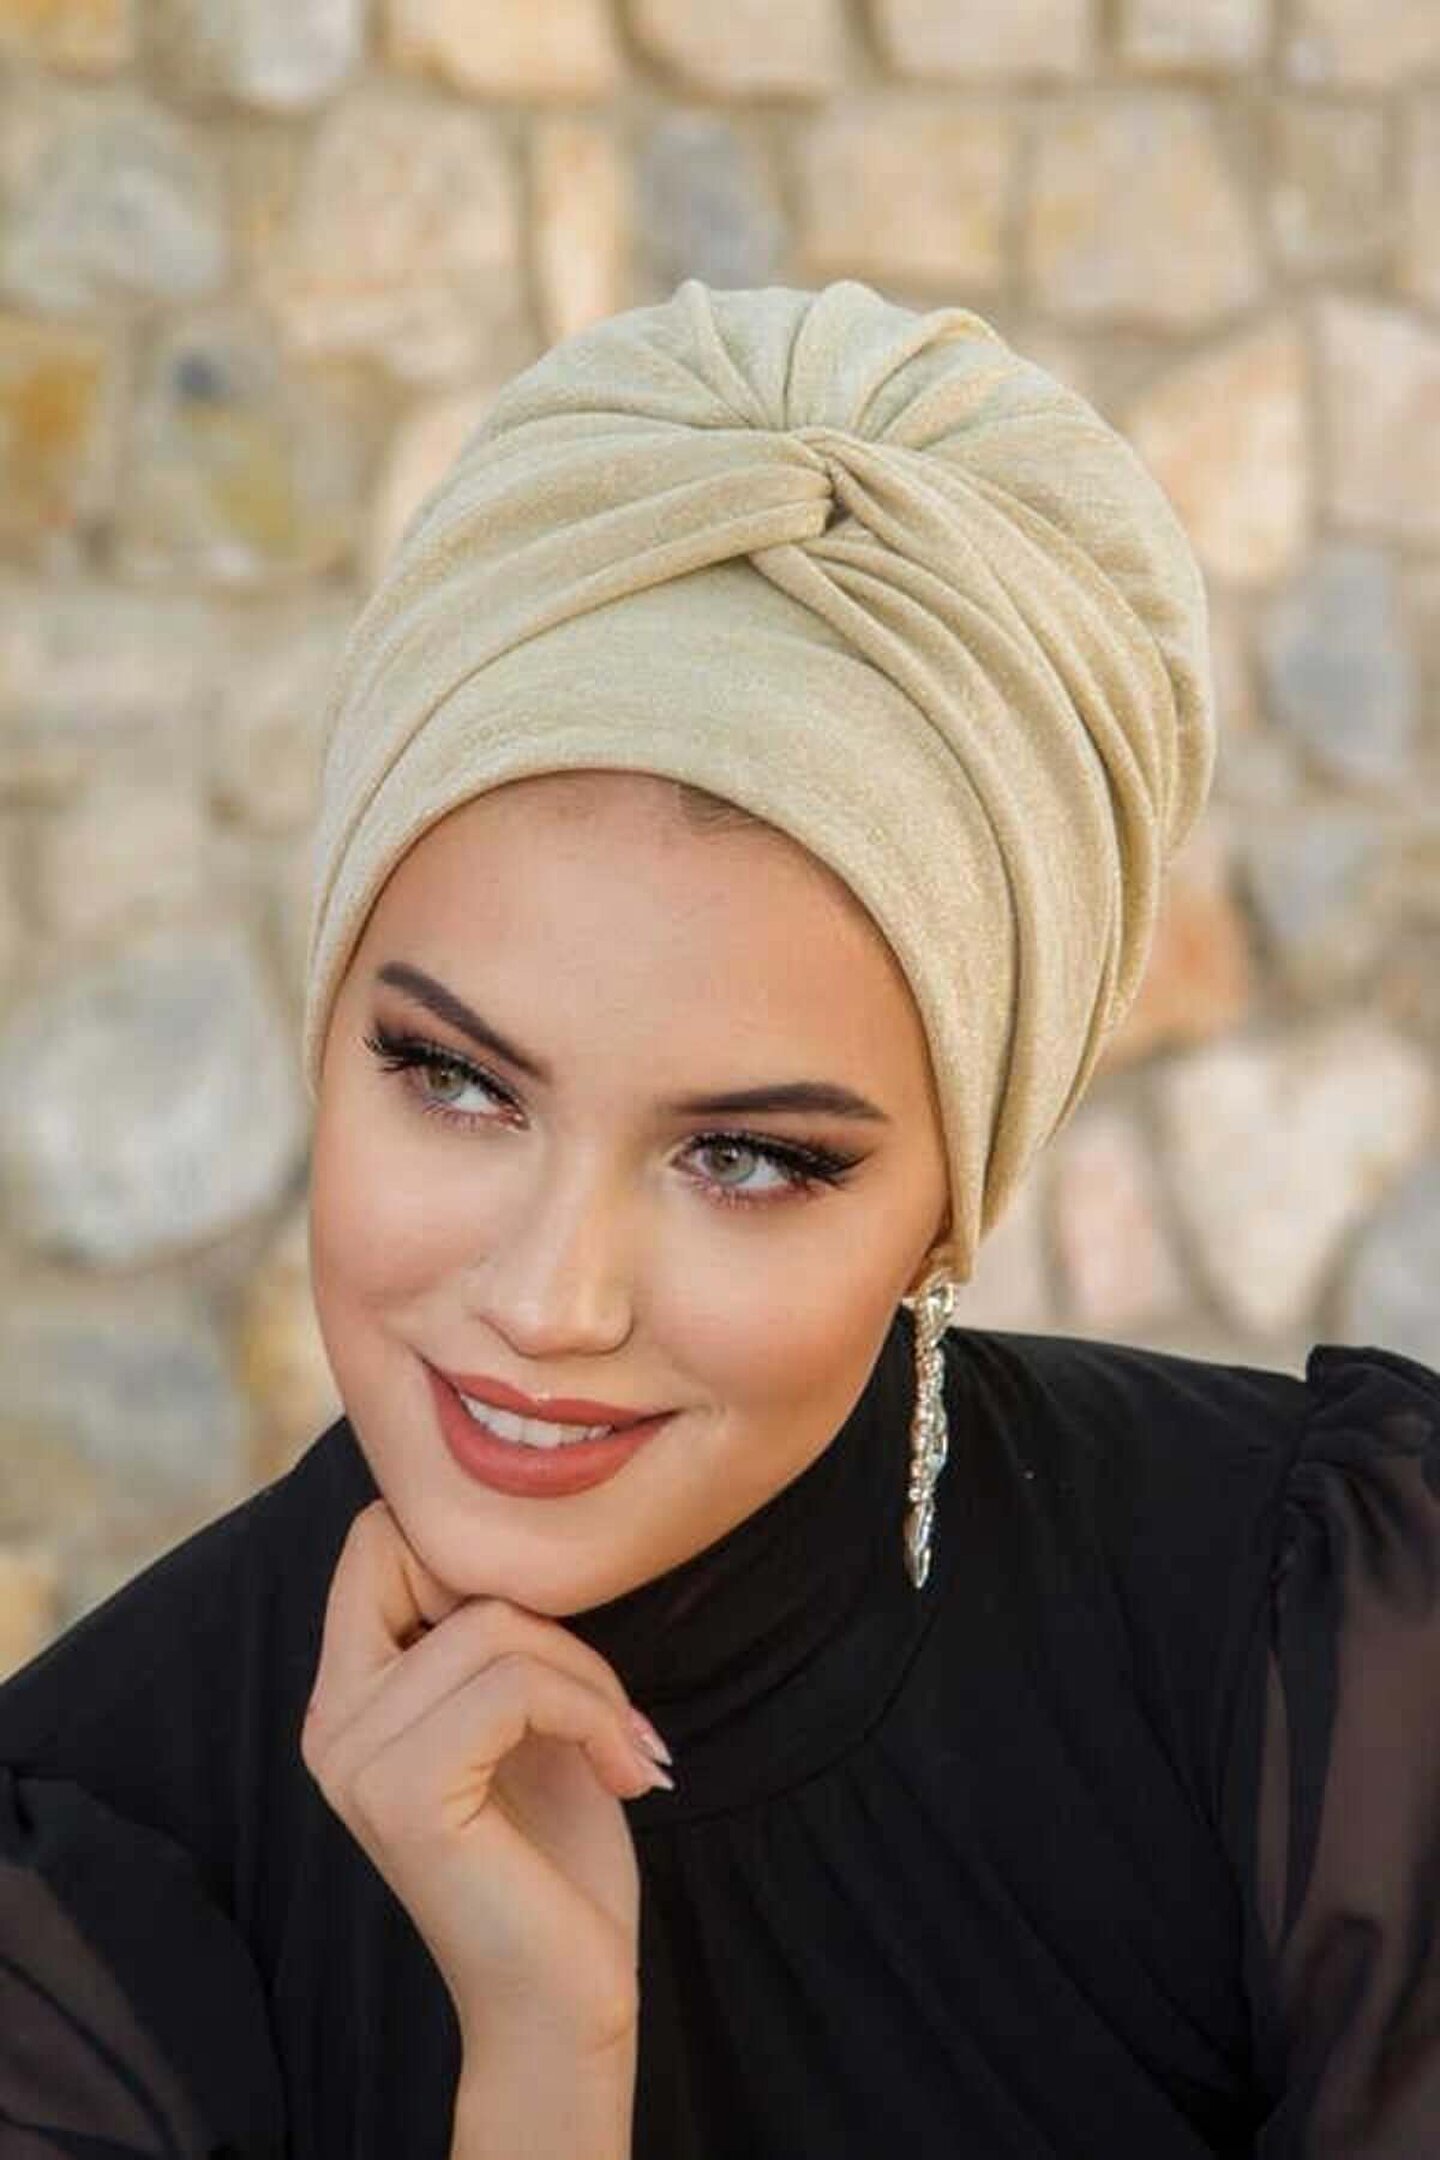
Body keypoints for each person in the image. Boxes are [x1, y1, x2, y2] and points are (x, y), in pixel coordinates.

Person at [1, 277, 1437, 2160]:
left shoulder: (1334, 1670)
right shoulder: (75, 1906)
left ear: (953, 1203)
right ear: (329, 1024)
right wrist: (542, 2066)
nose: (551, 1301)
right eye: (455, 1079)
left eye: (748, 1158)